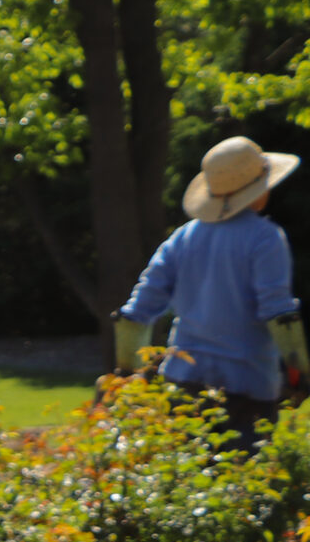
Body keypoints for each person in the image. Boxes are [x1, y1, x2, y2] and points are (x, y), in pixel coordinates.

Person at [115, 136, 306, 440]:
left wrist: (126, 372)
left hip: (183, 383)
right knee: (244, 482)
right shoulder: (266, 238)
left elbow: (139, 308)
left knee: (189, 482)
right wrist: (300, 376)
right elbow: (277, 311)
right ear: (257, 190)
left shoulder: (182, 238)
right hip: (248, 387)